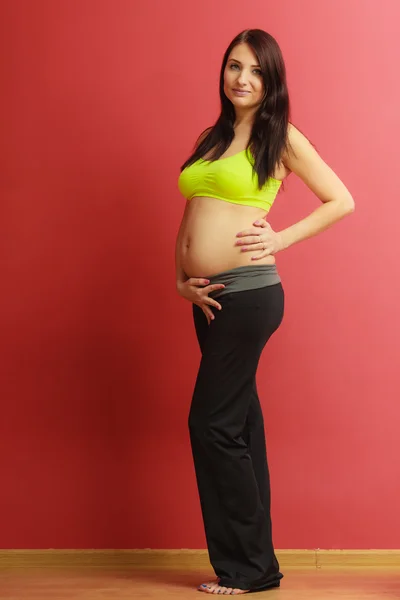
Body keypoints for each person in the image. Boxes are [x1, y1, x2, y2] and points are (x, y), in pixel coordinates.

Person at [175, 29, 354, 596]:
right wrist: (180, 277)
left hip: (249, 294)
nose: (242, 79)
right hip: (208, 297)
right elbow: (194, 210)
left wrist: (279, 241)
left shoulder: (281, 136)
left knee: (213, 425)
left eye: (254, 70)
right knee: (240, 423)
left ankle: (248, 568)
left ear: (271, 78)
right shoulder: (212, 137)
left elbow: (341, 199)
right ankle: (255, 565)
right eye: (233, 67)